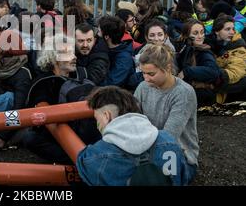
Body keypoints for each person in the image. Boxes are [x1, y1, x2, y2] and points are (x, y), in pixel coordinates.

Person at [76, 86, 192, 186]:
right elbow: (184, 178)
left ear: (107, 116)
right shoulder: (169, 140)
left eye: (97, 119)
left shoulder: (94, 156)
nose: (97, 126)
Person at [23, 34, 100, 163]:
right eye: (67, 53)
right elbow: (43, 117)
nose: (74, 57)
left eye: (73, 52)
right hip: (60, 132)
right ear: (54, 58)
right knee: (30, 138)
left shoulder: (83, 74)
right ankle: (78, 162)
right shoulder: (43, 83)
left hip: (90, 126)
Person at [134, 44, 199, 183]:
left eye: (151, 74)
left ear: (168, 68)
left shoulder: (183, 93)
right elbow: (133, 120)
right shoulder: (143, 87)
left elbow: (169, 137)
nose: (146, 78)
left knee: (158, 177)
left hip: (179, 153)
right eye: (143, 73)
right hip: (146, 148)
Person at [175, 19, 221, 106]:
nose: (200, 36)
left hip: (202, 95)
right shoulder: (184, 48)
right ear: (186, 35)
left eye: (202, 32)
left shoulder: (204, 52)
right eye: (195, 33)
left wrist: (186, 72)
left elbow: (214, 71)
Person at [205, 14, 246, 104]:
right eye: (227, 29)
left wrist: (217, 78)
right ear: (216, 31)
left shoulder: (236, 45)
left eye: (233, 29)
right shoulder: (206, 44)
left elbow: (236, 71)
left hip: (225, 84)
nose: (232, 32)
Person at [97, 15, 135, 87]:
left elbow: (112, 83)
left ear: (106, 36)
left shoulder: (124, 59)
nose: (96, 34)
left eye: (98, 31)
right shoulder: (106, 48)